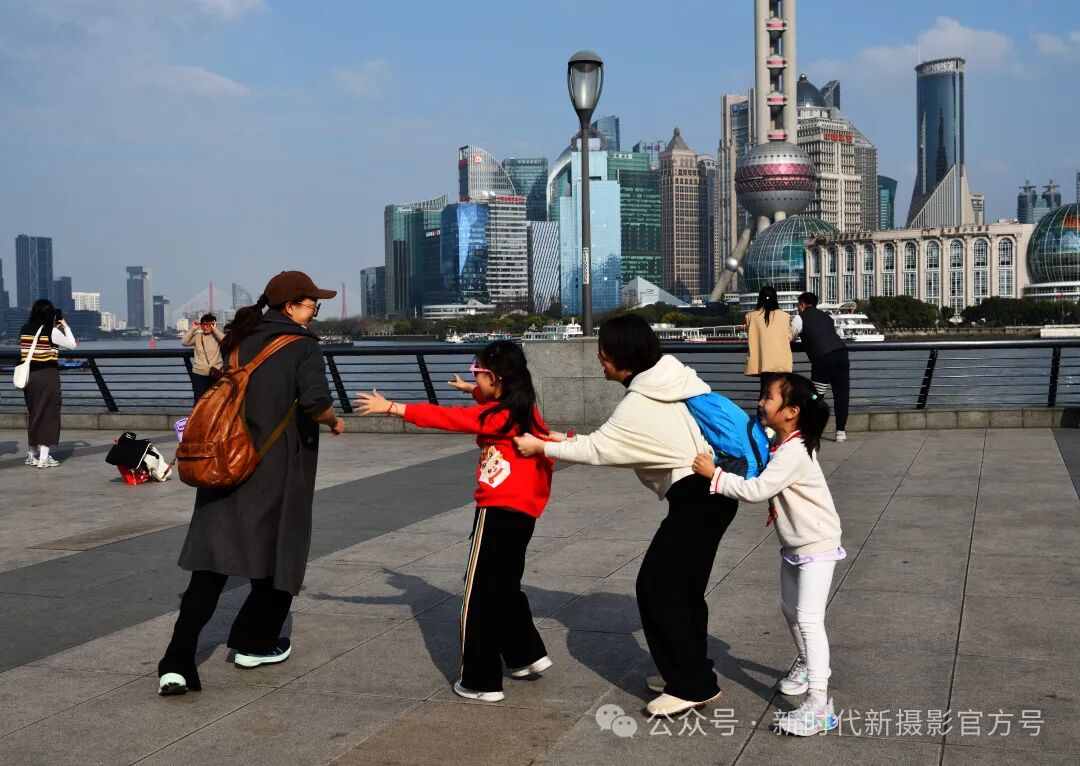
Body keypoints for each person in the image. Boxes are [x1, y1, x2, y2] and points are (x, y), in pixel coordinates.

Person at [513, 315, 738, 718]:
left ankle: (692, 685)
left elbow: (599, 450)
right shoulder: (668, 381)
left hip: (697, 499)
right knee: (683, 590)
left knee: (658, 588)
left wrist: (541, 447)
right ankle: (689, 670)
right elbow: (613, 441)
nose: (600, 360)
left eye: (603, 354)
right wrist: (560, 440)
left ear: (622, 356)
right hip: (710, 494)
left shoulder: (639, 402)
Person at [158, 271, 346, 696]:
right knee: (280, 552)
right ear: (290, 306)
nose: (315, 309)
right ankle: (254, 644)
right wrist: (335, 421)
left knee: (210, 570)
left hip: (225, 463)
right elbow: (316, 402)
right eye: (312, 303)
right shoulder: (303, 346)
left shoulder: (239, 339)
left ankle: (176, 662)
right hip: (275, 470)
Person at [354, 341, 554, 703]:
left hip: (499, 509)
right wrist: (470, 390)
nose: (474, 380)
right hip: (524, 511)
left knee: (479, 595)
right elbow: (487, 404)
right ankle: (526, 654)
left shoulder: (498, 416)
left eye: (478, 374)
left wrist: (393, 407)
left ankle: (481, 681)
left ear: (496, 378)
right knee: (504, 585)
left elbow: (449, 418)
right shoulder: (524, 409)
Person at [692, 373, 843, 736]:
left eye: (769, 397)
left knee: (809, 619)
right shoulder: (784, 441)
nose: (761, 402)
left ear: (791, 412)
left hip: (817, 545)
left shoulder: (794, 451)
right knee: (791, 611)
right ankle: (806, 664)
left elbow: (757, 489)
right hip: (796, 545)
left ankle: (819, 705)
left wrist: (715, 475)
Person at [19, 299, 77, 468]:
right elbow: (72, 345)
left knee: (35, 413)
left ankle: (32, 454)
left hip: (29, 376)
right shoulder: (51, 331)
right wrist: (65, 327)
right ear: (50, 314)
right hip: (47, 376)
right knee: (49, 414)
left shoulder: (25, 329)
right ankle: (44, 458)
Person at [790, 292, 850, 442]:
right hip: (841, 355)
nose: (797, 308)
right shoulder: (826, 317)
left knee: (816, 397)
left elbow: (790, 336)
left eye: (798, 305)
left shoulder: (800, 318)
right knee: (841, 395)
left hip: (822, 359)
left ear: (802, 304)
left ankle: (811, 430)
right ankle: (840, 432)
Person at [745, 285, 794, 399]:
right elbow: (789, 337)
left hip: (763, 361)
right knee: (781, 394)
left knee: (765, 392)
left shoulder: (751, 316)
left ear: (760, 298)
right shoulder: (785, 316)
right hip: (781, 362)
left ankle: (762, 410)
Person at [181, 313, 224, 400]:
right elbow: (184, 342)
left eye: (209, 325)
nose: (206, 327)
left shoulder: (217, 337)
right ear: (201, 325)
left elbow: (225, 341)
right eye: (203, 325)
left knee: (216, 399)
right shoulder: (198, 337)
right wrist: (193, 329)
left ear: (213, 325)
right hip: (199, 374)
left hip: (216, 374)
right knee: (199, 400)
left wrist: (215, 329)